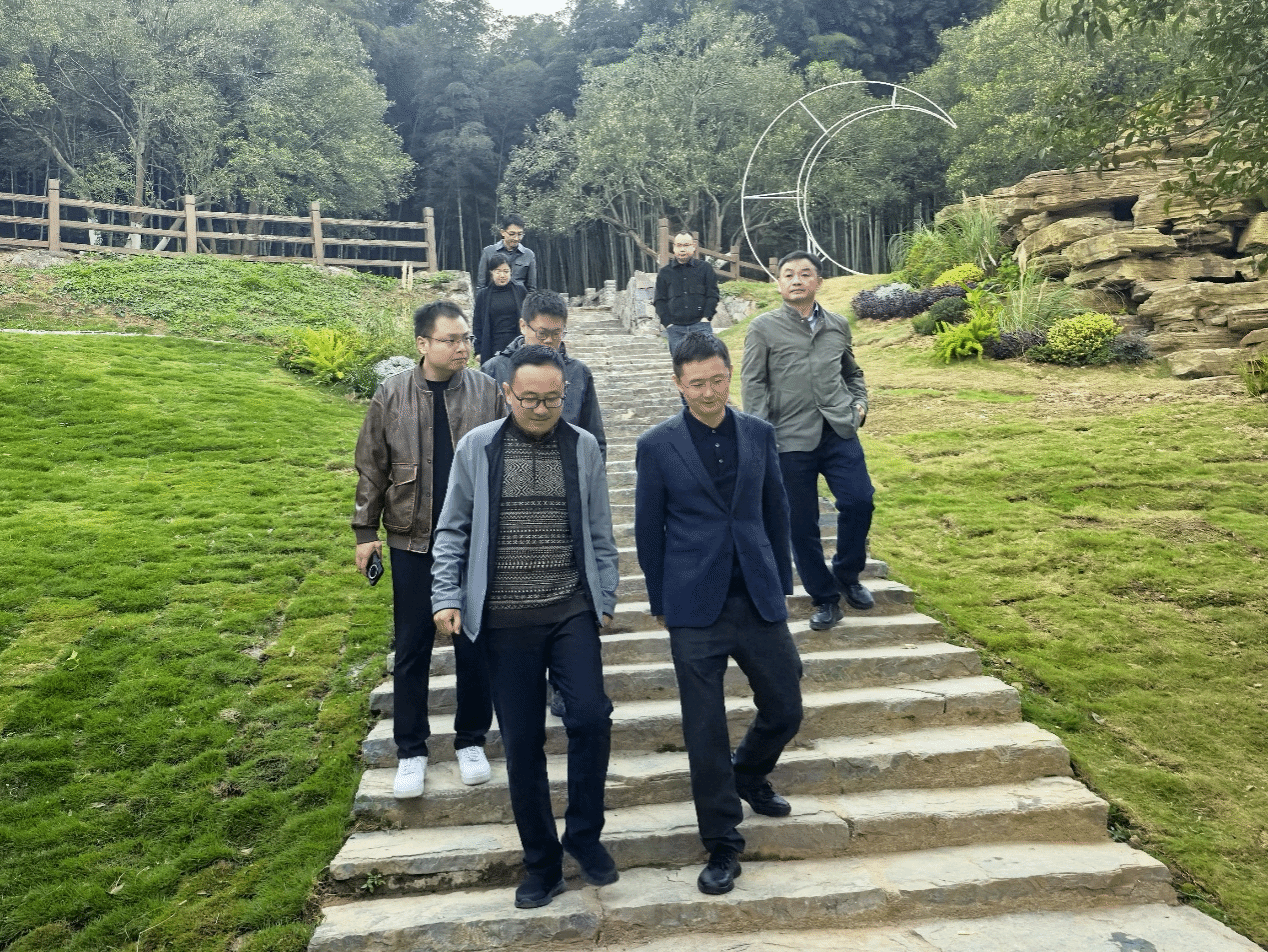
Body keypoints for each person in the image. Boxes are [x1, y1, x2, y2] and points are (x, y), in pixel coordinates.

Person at [432, 344, 620, 909]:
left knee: (591, 716)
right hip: (503, 620)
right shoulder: (478, 447)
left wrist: (605, 596)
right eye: (530, 399)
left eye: (552, 399)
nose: (541, 409)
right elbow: (452, 529)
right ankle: (541, 863)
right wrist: (446, 594)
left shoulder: (583, 447)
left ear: (566, 394)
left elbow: (601, 530)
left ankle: (584, 836)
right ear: (506, 394)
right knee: (521, 742)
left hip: (569, 609)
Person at [635, 331, 803, 896]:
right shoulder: (657, 445)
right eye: (696, 384)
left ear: (730, 374)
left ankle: (749, 772)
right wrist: (661, 600)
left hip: (756, 596)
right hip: (693, 604)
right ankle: (722, 842)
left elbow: (776, 510)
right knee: (704, 728)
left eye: (717, 380)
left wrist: (781, 582)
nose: (708, 393)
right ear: (678, 383)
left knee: (786, 705)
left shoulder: (759, 433)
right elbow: (648, 529)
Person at [352, 301, 505, 800]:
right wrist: (364, 531)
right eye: (450, 339)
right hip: (411, 539)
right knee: (413, 646)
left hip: (472, 541)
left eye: (466, 338)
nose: (462, 347)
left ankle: (471, 740)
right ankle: (411, 750)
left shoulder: (487, 391)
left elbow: (508, 459)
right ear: (422, 343)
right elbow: (372, 466)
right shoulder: (392, 393)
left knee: (474, 644)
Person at [740, 250, 876, 633]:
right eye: (788, 274)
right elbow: (753, 384)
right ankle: (824, 597)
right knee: (801, 524)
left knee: (860, 501)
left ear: (818, 282)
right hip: (788, 439)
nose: (796, 280)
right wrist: (760, 437)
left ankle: (846, 574)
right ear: (779, 283)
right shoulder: (762, 328)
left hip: (839, 431)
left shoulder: (838, 325)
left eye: (804, 273)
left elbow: (852, 372)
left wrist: (859, 405)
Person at [481, 288, 606, 460]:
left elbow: (595, 442)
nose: (549, 340)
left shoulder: (579, 373)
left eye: (556, 333)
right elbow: (481, 438)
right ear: (523, 326)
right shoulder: (494, 370)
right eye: (542, 333)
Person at [654, 231, 720, 356]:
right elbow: (659, 301)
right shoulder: (664, 273)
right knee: (681, 366)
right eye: (679, 245)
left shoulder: (705, 268)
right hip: (676, 329)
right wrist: (668, 324)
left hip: (701, 326)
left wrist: (706, 318)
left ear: (693, 246)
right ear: (674, 248)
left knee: (705, 363)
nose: (682, 249)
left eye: (686, 245)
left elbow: (712, 295)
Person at [473, 253, 527, 364]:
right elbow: (477, 324)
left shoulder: (520, 291)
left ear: (511, 272)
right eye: (498, 271)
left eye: (506, 271)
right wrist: (478, 351)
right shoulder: (483, 295)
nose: (502, 275)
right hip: (492, 345)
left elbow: (529, 318)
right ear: (491, 272)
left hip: (518, 344)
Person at [475, 213, 536, 291]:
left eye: (520, 234)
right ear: (502, 232)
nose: (516, 238)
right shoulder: (488, 252)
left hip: (520, 297)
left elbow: (531, 288)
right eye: (512, 234)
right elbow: (481, 285)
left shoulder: (528, 254)